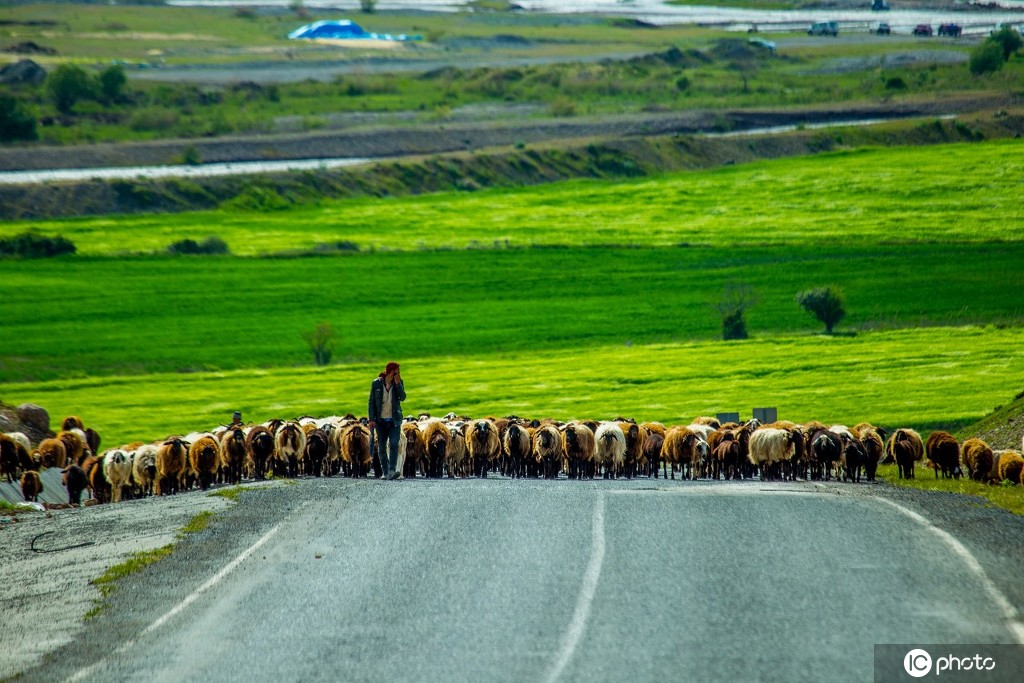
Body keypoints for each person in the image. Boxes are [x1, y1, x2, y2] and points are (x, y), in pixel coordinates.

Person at [367, 362, 406, 480]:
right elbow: (371, 402)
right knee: (382, 446)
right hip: (381, 421)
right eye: (397, 371)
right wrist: (371, 419)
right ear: (392, 372)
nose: (399, 373)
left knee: (394, 444)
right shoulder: (376, 384)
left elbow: (402, 397)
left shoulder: (399, 382)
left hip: (394, 420)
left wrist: (398, 384)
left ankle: (392, 470)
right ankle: (385, 471)